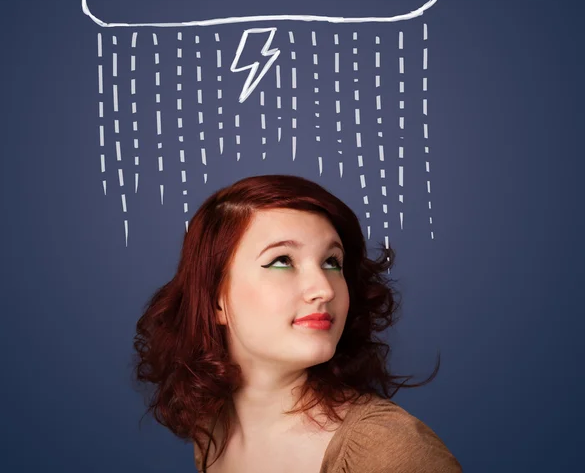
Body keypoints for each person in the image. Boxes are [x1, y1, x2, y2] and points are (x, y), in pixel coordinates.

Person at [132, 174, 463, 472]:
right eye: (281, 261)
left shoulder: (390, 453)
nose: (323, 288)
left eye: (332, 262)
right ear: (216, 299)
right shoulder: (212, 429)